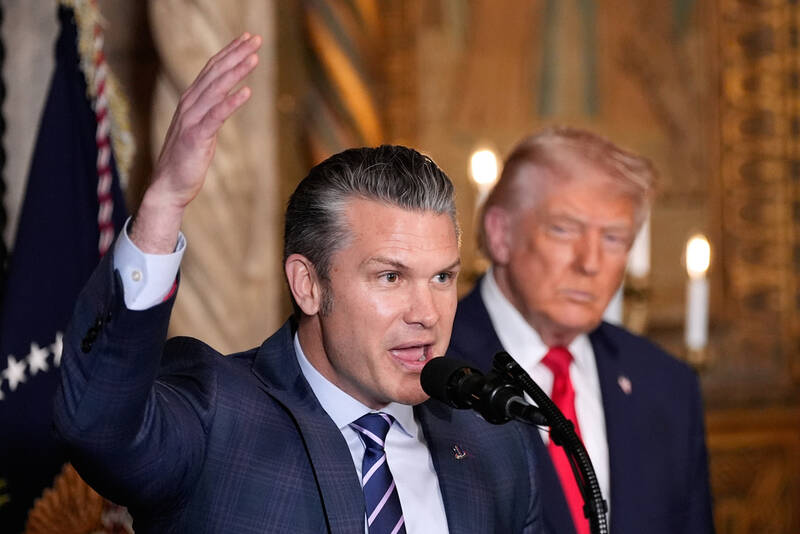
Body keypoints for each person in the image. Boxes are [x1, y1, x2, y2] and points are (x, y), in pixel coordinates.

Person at [52, 34, 542, 533]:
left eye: (442, 277)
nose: (427, 313)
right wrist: (163, 206)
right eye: (390, 277)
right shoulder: (216, 413)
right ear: (308, 285)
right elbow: (98, 426)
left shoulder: (494, 442)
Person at [448, 128, 715, 534]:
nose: (590, 262)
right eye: (564, 229)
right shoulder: (432, 370)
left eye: (613, 238)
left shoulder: (667, 385)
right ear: (501, 234)